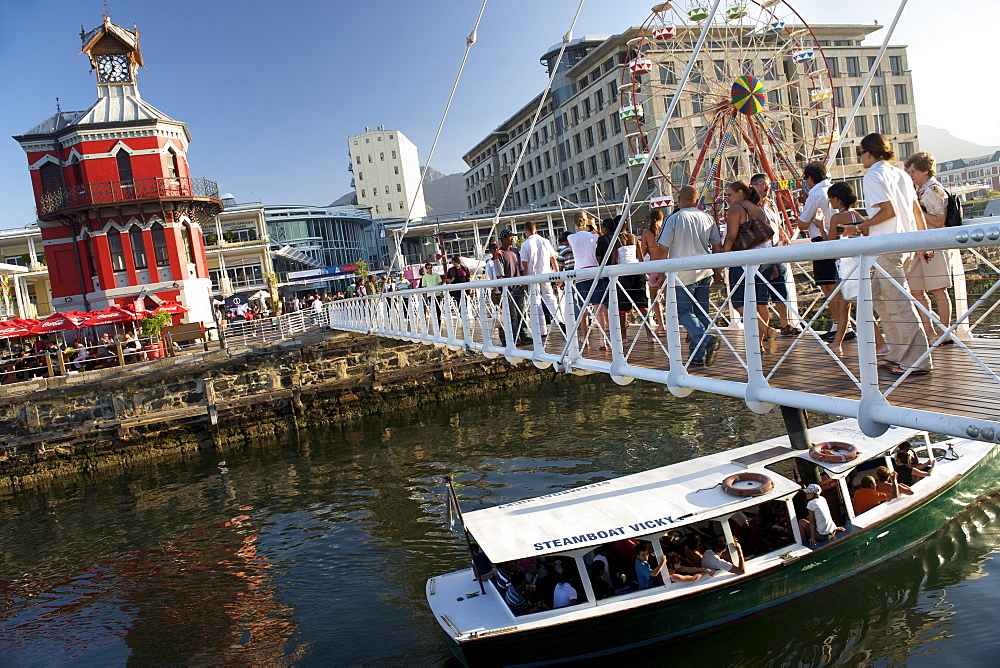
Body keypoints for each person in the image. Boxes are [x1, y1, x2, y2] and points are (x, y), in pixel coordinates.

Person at [842, 133, 932, 376]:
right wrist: (923, 244)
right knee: (877, 298)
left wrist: (858, 227)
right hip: (906, 244)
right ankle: (896, 352)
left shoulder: (873, 175)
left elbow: (888, 211)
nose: (860, 157)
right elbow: (916, 211)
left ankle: (917, 360)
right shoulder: (900, 174)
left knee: (898, 304)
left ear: (869, 152)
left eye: (860, 152)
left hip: (887, 246)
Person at [659, 185, 723, 366]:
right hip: (704, 270)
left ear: (679, 201)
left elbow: (663, 249)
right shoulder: (708, 218)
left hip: (681, 274)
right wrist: (718, 271)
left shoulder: (674, 219)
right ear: (697, 201)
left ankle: (706, 340)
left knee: (683, 312)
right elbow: (717, 246)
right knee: (702, 313)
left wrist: (662, 273)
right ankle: (696, 356)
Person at [723, 181, 779, 355]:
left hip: (745, 260)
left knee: (739, 301)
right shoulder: (759, 209)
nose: (727, 199)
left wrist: (723, 258)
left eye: (729, 194)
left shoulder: (736, 209)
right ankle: (760, 343)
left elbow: (731, 237)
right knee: (760, 302)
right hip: (765, 258)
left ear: (740, 193)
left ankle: (766, 330)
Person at [904, 151, 955, 342]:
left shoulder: (933, 190)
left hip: (934, 244)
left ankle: (944, 332)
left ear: (925, 171)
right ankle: (929, 332)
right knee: (916, 290)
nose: (911, 176)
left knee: (938, 289)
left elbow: (939, 220)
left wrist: (915, 211)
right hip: (920, 245)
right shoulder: (921, 191)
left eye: (913, 172)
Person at [797, 162, 843, 337]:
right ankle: (843, 326)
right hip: (836, 239)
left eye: (806, 179)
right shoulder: (831, 190)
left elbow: (802, 224)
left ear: (810, 178)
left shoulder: (814, 195)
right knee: (836, 285)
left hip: (820, 240)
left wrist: (805, 209)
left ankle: (839, 326)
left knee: (827, 286)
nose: (806, 183)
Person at [750, 173, 797, 336]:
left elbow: (776, 223)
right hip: (763, 255)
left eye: (768, 184)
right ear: (753, 186)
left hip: (777, 251)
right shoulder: (751, 207)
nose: (767, 187)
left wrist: (784, 235)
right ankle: (764, 332)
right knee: (761, 296)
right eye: (762, 184)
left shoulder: (770, 203)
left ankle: (786, 324)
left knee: (781, 290)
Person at [597, 217, 650, 346]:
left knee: (622, 308)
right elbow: (641, 257)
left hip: (624, 275)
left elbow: (615, 260)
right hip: (638, 272)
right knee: (642, 306)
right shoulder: (633, 237)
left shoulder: (616, 240)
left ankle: (624, 337)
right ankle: (650, 335)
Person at [825, 182, 864, 355]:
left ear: (837, 199)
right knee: (846, 304)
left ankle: (880, 343)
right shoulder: (858, 216)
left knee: (853, 304)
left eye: (831, 199)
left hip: (845, 265)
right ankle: (837, 342)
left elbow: (830, 244)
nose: (830, 202)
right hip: (859, 262)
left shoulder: (837, 218)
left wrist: (820, 227)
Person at [567, 211, 605, 348]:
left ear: (574, 223)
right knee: (598, 308)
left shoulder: (571, 237)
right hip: (594, 271)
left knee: (583, 309)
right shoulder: (594, 236)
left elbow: (574, 251)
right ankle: (602, 340)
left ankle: (585, 338)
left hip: (580, 274)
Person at [519, 220, 562, 335]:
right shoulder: (545, 241)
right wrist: (557, 274)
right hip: (546, 274)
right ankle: (559, 320)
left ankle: (542, 330)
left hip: (532, 277)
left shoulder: (525, 245)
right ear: (535, 229)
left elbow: (524, 263)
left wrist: (523, 278)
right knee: (550, 298)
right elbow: (553, 258)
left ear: (526, 231)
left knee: (536, 302)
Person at [640, 208, 669, 340]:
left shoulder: (646, 233)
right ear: (661, 218)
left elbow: (643, 252)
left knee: (654, 298)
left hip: (653, 268)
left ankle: (661, 324)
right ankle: (672, 323)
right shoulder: (666, 229)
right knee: (670, 298)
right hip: (666, 267)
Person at [496, 230, 528, 345]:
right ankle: (515, 338)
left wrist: (524, 283)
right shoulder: (499, 254)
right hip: (508, 289)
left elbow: (520, 268)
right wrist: (505, 291)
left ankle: (524, 335)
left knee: (522, 313)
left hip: (519, 286)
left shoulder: (515, 251)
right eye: (510, 237)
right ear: (504, 238)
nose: (512, 239)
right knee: (512, 315)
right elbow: (499, 275)